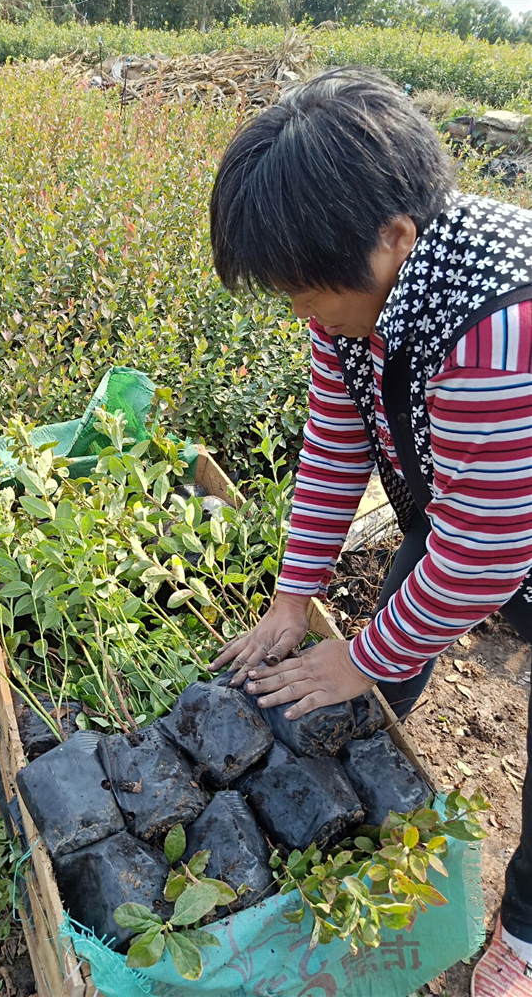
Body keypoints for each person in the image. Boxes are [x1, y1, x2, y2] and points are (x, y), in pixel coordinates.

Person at [208, 66, 532, 996]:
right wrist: (294, 593)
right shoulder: (351, 287)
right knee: (398, 623)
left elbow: (487, 550)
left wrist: (363, 658)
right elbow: (335, 441)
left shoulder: (498, 327)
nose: (300, 312)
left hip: (509, 511)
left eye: (305, 292)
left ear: (394, 239)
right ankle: (367, 757)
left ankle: (528, 929)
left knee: (394, 641)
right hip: (468, 499)